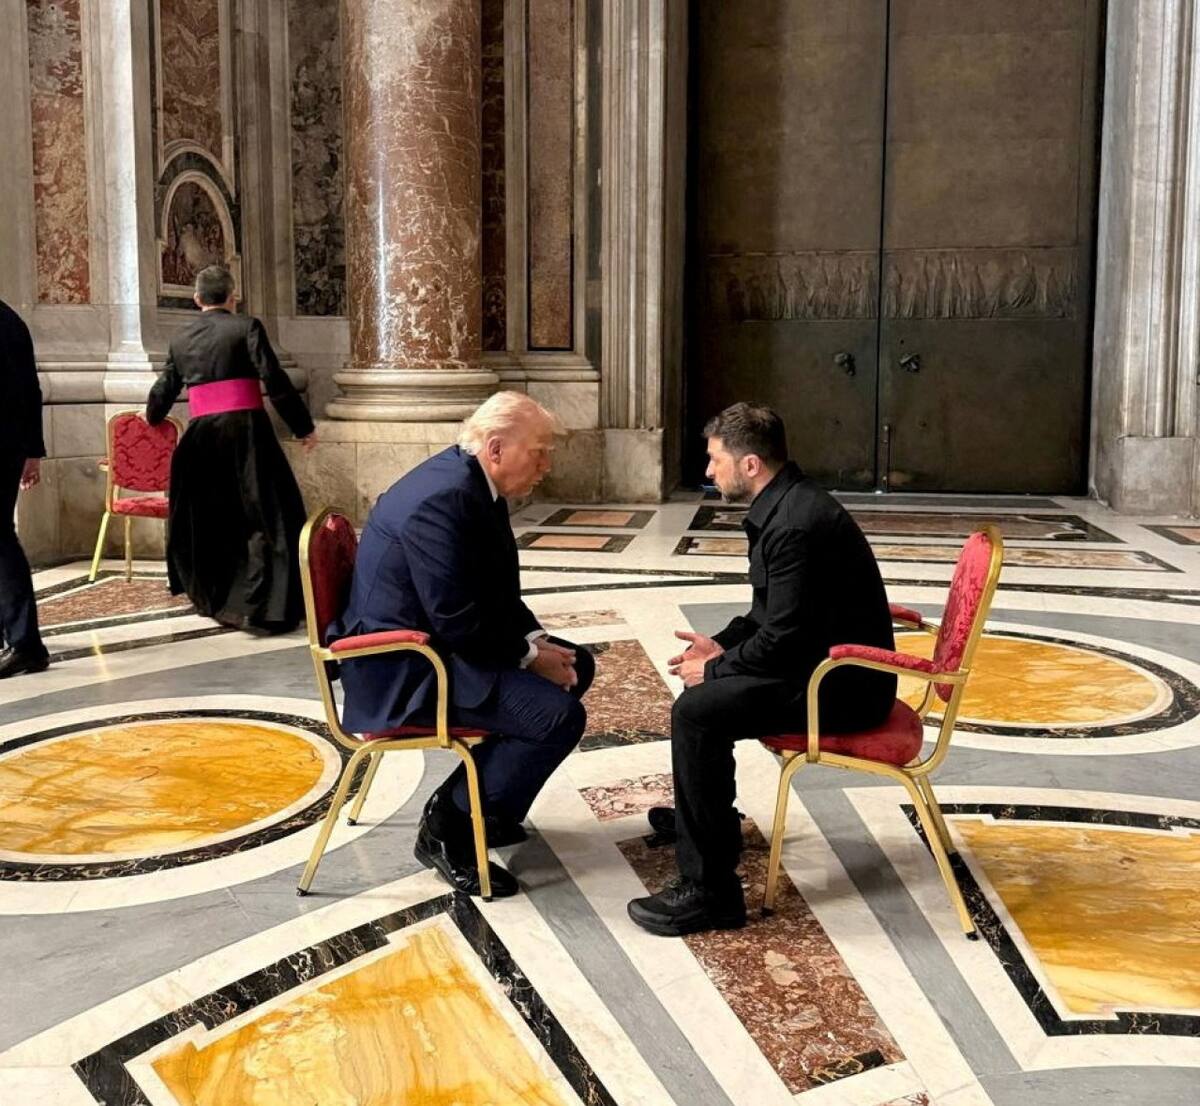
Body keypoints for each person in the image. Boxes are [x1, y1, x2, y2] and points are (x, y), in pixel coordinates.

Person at [628, 402, 897, 937]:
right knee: (703, 704)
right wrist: (719, 645)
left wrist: (719, 668)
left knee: (698, 712)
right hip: (821, 666)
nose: (708, 471)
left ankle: (711, 893)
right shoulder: (787, 506)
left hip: (842, 687)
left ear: (750, 464)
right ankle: (710, 828)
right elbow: (768, 616)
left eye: (715, 459)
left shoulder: (794, 525)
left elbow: (785, 638)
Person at [331, 391, 594, 898]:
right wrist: (530, 658)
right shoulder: (444, 498)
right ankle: (447, 825)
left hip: (438, 643)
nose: (546, 464)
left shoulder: (471, 482)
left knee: (578, 666)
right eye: (538, 450)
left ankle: (488, 806)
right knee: (556, 718)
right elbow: (456, 617)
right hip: (403, 666)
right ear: (495, 448)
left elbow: (491, 591)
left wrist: (537, 641)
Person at [146, 265, 316, 633]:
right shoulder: (246, 327)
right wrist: (303, 426)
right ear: (232, 296)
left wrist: (152, 417)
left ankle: (218, 599)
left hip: (201, 437)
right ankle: (263, 606)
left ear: (196, 299)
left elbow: (164, 388)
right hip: (247, 432)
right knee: (266, 516)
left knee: (213, 518)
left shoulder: (180, 338)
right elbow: (274, 379)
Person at [0, 298, 50, 679]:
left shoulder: (8, 322)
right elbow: (30, 390)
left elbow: (27, 390)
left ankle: (25, 643)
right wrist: (32, 450)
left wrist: (32, 451)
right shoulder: (11, 319)